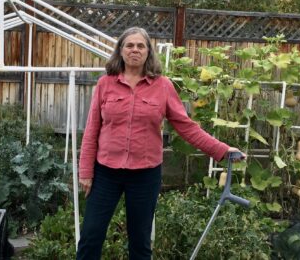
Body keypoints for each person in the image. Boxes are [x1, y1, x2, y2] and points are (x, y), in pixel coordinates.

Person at [77, 27, 245, 260]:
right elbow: (92, 129)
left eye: (140, 46)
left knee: (140, 241)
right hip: (106, 172)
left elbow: (185, 126)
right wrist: (85, 171)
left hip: (145, 175)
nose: (134, 50)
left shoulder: (163, 86)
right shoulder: (105, 84)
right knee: (90, 236)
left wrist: (222, 149)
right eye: (129, 45)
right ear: (120, 51)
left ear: (148, 52)